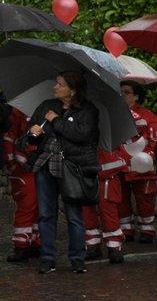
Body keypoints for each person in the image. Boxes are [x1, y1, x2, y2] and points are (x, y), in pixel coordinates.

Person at [24, 70, 99, 274]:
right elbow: (29, 134)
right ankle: (48, 258)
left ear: (72, 91)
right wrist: (33, 134)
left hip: (71, 168)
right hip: (45, 166)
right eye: (56, 83)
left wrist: (57, 121)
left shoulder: (88, 111)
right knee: (46, 214)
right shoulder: (46, 106)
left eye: (60, 84)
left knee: (74, 215)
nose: (55, 87)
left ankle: (77, 258)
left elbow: (82, 135)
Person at [119, 81, 157, 244]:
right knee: (121, 199)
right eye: (121, 92)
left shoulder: (148, 115)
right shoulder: (115, 114)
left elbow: (155, 139)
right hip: (121, 165)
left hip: (142, 166)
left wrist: (148, 156)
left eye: (127, 92)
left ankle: (147, 229)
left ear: (136, 96)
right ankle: (126, 229)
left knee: (145, 198)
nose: (123, 95)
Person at [3, 91, 40, 261]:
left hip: (40, 168)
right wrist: (12, 164)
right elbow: (9, 138)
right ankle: (21, 246)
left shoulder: (50, 111)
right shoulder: (19, 111)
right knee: (26, 206)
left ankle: (35, 242)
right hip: (23, 168)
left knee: (39, 208)